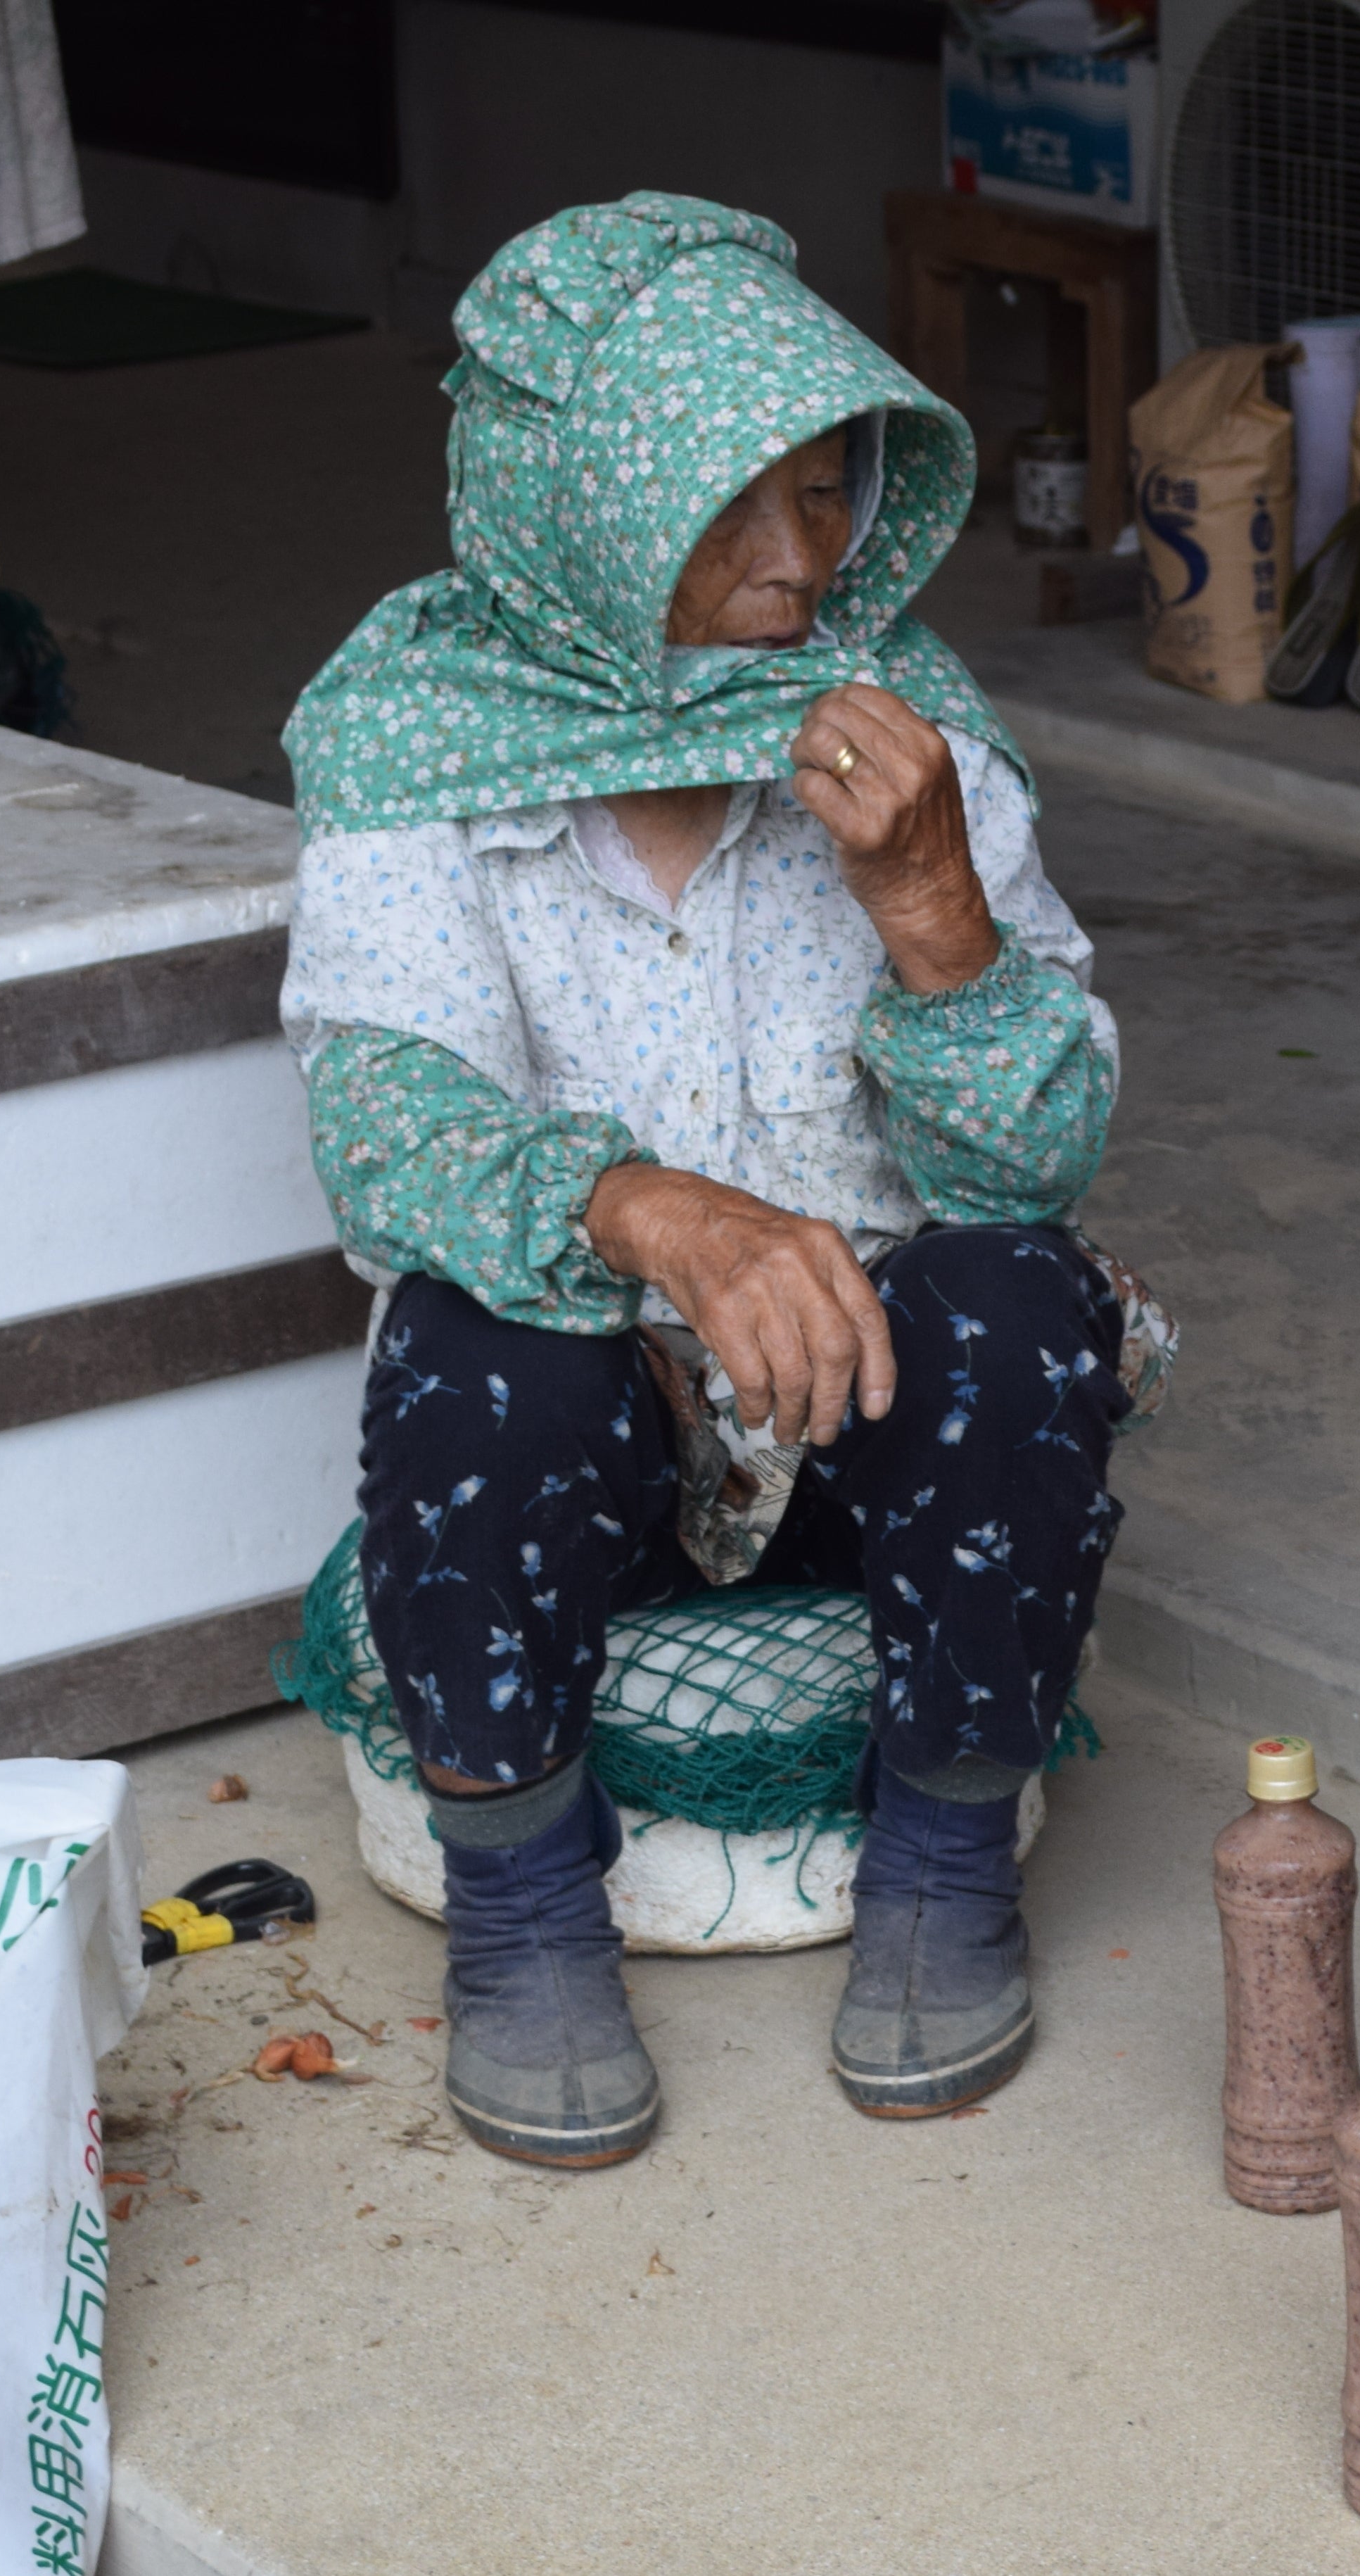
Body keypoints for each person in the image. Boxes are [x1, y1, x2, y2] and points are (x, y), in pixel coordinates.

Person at [280, 196, 1147, 2170]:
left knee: (1022, 1299)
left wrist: (929, 907)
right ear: (576, 507)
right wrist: (663, 1214)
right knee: (477, 1347)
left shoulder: (902, 731)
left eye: (825, 491)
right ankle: (521, 1899)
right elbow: (385, 1134)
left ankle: (944, 1854)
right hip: (594, 1432)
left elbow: (1037, 1162)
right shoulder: (419, 739)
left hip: (872, 1424)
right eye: (723, 505)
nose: (798, 562)